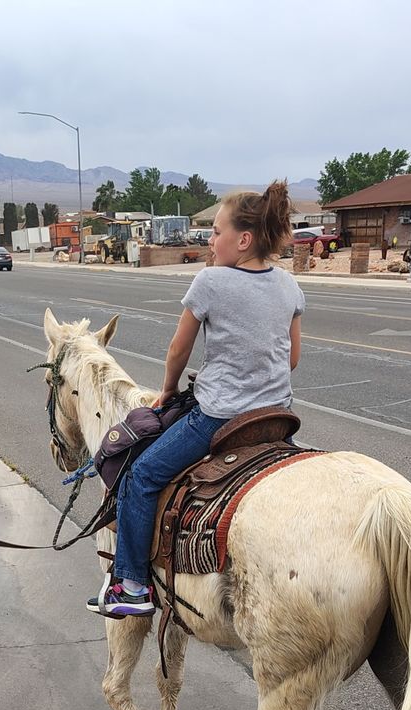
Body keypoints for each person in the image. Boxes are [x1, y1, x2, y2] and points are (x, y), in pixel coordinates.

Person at [88, 181, 305, 617]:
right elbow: (293, 358)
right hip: (277, 417)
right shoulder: (288, 285)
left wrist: (167, 392)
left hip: (218, 418)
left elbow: (177, 351)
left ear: (243, 240)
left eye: (217, 231)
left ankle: (130, 586)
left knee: (142, 475)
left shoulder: (210, 281)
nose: (210, 240)